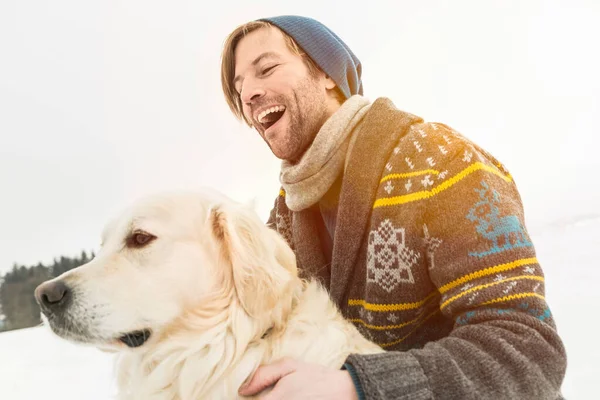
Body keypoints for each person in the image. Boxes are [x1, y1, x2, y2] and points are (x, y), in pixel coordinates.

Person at [219, 15, 567, 400]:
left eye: (266, 69)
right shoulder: (286, 213)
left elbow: (527, 352)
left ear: (326, 73)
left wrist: (357, 386)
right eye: (239, 89)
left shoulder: (439, 162)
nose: (248, 94)